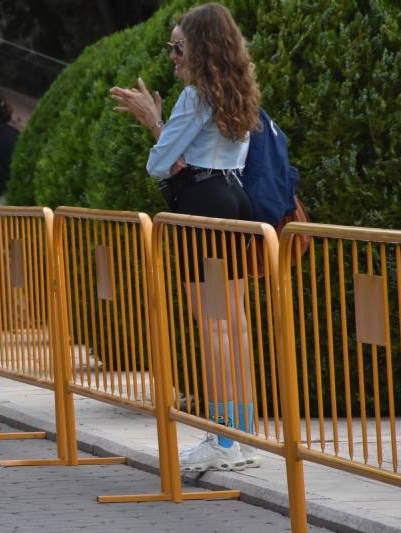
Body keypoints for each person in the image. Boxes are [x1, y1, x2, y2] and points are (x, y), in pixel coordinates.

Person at [110, 2, 260, 472]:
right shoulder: (240, 92)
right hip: (234, 201)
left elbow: (159, 162)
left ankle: (223, 440)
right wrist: (167, 136)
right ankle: (239, 435)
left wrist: (153, 122)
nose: (173, 55)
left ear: (201, 48)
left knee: (216, 325)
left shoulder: (195, 97)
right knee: (235, 324)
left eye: (179, 47)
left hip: (203, 204)